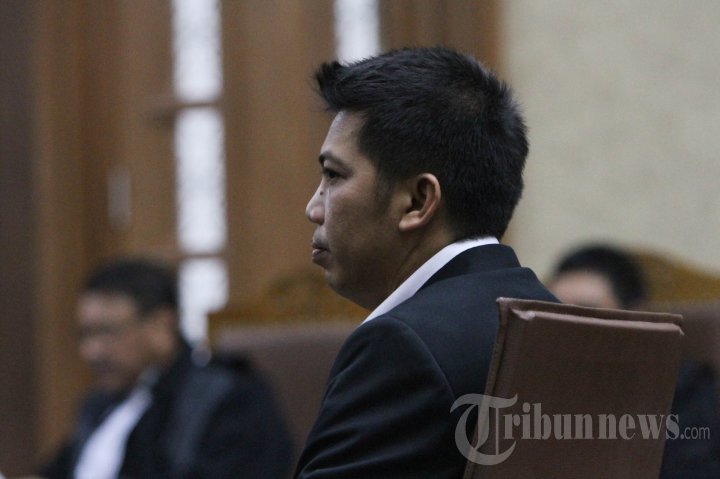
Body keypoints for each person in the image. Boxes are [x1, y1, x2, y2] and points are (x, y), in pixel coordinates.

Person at [295, 46, 558, 478]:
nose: (314, 208)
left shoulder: (402, 349)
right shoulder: (554, 317)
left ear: (417, 201)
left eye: (334, 175)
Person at [41, 257, 292, 479]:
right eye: (85, 335)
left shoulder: (229, 398)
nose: (91, 352)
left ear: (161, 326)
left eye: (107, 332)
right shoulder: (100, 405)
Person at [547, 243, 720, 479]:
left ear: (635, 317)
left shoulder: (684, 389)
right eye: (555, 310)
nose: (567, 325)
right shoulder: (536, 381)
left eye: (587, 311)